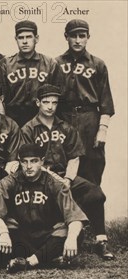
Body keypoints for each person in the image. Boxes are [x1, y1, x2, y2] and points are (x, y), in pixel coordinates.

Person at [21, 84, 114, 260]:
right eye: (46, 102)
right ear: (37, 103)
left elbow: (74, 157)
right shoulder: (28, 129)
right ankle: (57, 245)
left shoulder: (66, 127)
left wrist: (69, 179)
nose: (50, 106)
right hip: (40, 178)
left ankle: (100, 240)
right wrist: (56, 180)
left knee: (96, 194)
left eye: (54, 103)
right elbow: (29, 162)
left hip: (64, 174)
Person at [0, 143, 88, 272]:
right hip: (22, 235)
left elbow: (74, 216)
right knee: (0, 234)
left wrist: (72, 238)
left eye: (34, 161)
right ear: (19, 162)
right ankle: (48, 260)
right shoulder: (8, 182)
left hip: (47, 236)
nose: (29, 167)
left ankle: (28, 261)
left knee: (75, 234)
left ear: (42, 161)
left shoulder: (55, 184)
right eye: (24, 162)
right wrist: (4, 233)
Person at [55, 19, 114, 186]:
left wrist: (102, 130)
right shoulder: (56, 64)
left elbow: (106, 101)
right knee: (62, 169)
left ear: (88, 37)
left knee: (92, 169)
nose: (78, 40)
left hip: (89, 120)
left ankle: (92, 211)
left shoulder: (98, 64)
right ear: (66, 37)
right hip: (63, 118)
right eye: (73, 36)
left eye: (82, 36)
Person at [0, 20, 64, 126]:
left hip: (42, 119)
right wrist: (3, 122)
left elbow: (59, 96)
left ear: (36, 38)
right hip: (13, 120)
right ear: (16, 39)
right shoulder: (5, 64)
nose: (25, 41)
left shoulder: (50, 64)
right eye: (21, 38)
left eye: (29, 37)